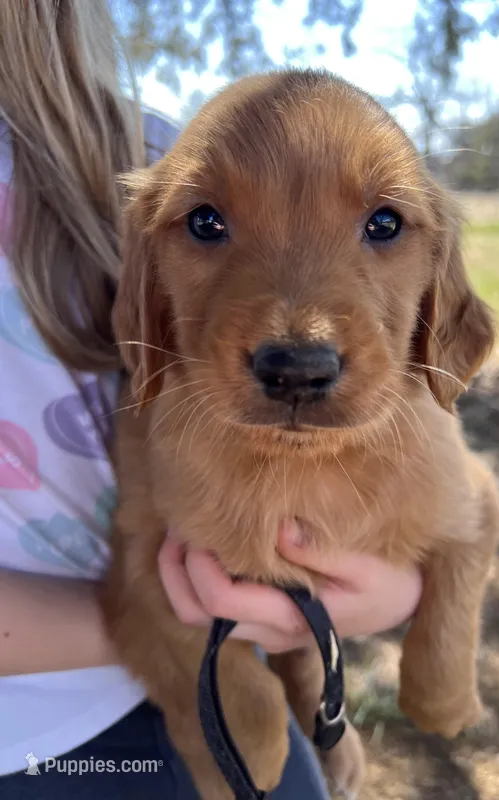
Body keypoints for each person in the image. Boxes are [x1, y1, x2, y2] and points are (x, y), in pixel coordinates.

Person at [0, 1, 422, 797]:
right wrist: (168, 619)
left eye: (382, 224)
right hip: (58, 718)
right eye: (206, 224)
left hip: (230, 640)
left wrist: (376, 596)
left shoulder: (166, 148)